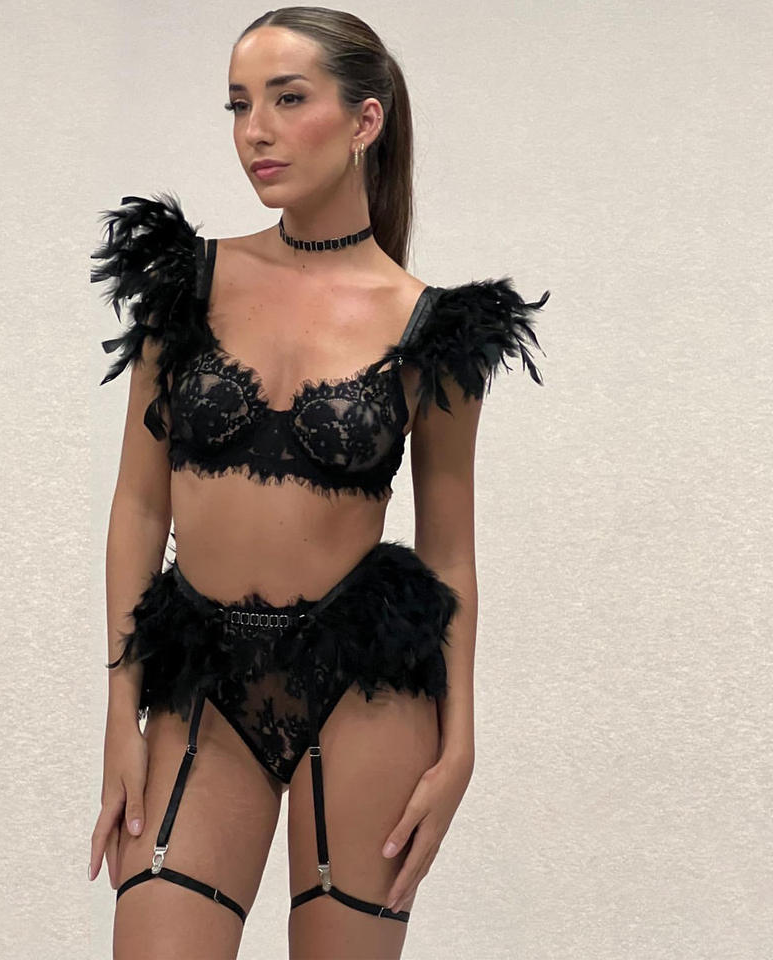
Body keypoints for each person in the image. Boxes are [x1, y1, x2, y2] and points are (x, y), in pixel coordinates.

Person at [88, 9, 548, 959]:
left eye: (288, 99)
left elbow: (449, 553)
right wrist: (118, 714)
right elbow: (138, 506)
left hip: (368, 690)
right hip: (201, 679)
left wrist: (461, 743)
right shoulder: (184, 282)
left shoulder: (433, 330)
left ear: (365, 120)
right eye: (239, 105)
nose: (255, 131)